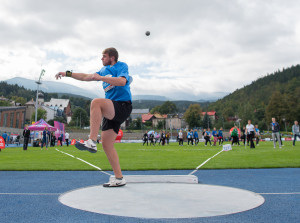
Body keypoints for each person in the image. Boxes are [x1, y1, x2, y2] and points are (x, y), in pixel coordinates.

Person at [56, 47, 132, 187]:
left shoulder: (121, 66)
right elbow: (85, 77)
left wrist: (101, 78)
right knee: (107, 144)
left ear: (112, 58)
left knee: (96, 102)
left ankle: (91, 140)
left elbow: (122, 82)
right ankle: (119, 178)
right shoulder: (102, 70)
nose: (101, 58)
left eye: (104, 56)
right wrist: (66, 73)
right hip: (111, 109)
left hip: (122, 105)